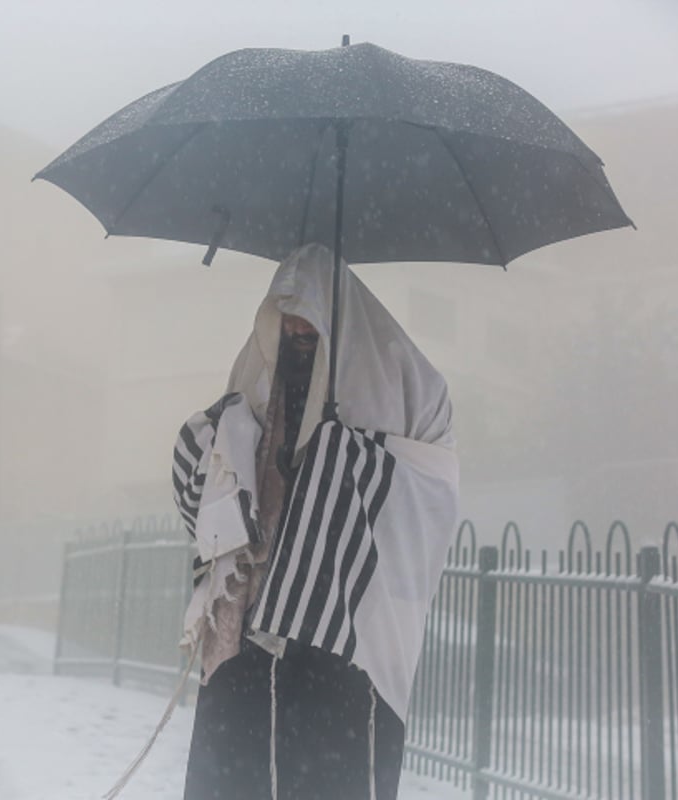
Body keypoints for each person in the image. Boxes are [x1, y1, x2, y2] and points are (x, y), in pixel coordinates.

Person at [175, 243, 460, 800]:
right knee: (240, 771)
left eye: (310, 327)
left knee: (328, 774)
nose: (297, 336)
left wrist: (341, 456)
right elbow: (218, 472)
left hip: (348, 639)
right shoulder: (260, 374)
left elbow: (428, 496)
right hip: (254, 628)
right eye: (287, 324)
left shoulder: (406, 381)